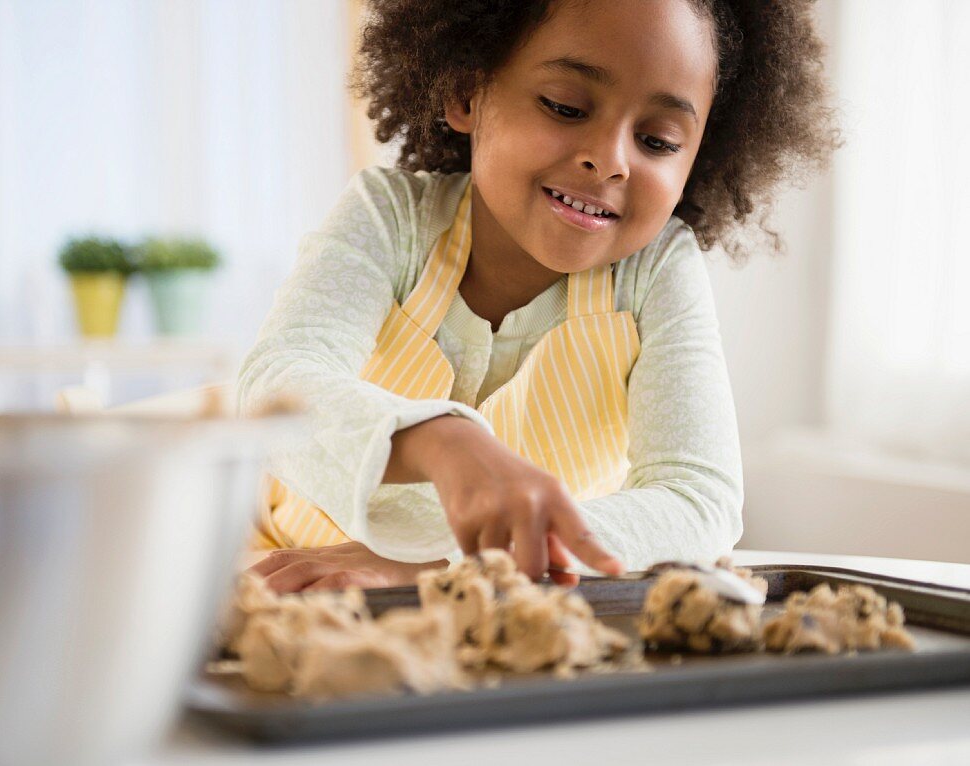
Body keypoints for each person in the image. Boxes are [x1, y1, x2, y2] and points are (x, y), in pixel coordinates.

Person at [240, 0, 838, 592]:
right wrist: (440, 440)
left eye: (657, 141)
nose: (608, 160)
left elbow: (698, 503)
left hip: (509, 603)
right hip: (280, 576)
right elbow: (277, 388)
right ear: (467, 91)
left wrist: (446, 564)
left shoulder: (655, 270)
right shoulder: (390, 217)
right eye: (566, 106)